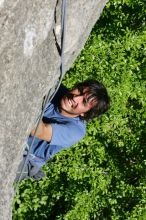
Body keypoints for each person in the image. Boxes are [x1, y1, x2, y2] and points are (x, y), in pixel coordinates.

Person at [16, 79, 110, 181]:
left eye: (84, 102)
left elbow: (39, 131)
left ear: (85, 114)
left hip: (28, 158)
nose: (75, 98)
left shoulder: (76, 131)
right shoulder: (56, 88)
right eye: (80, 90)